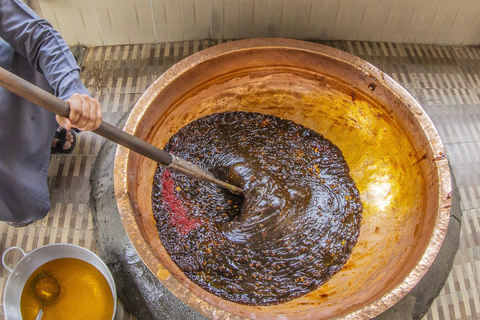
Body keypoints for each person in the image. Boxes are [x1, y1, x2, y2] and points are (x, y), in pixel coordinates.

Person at [0, 0, 102, 226]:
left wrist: (71, 88)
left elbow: (37, 37)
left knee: (43, 76)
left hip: (8, 77)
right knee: (18, 198)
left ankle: (48, 133)